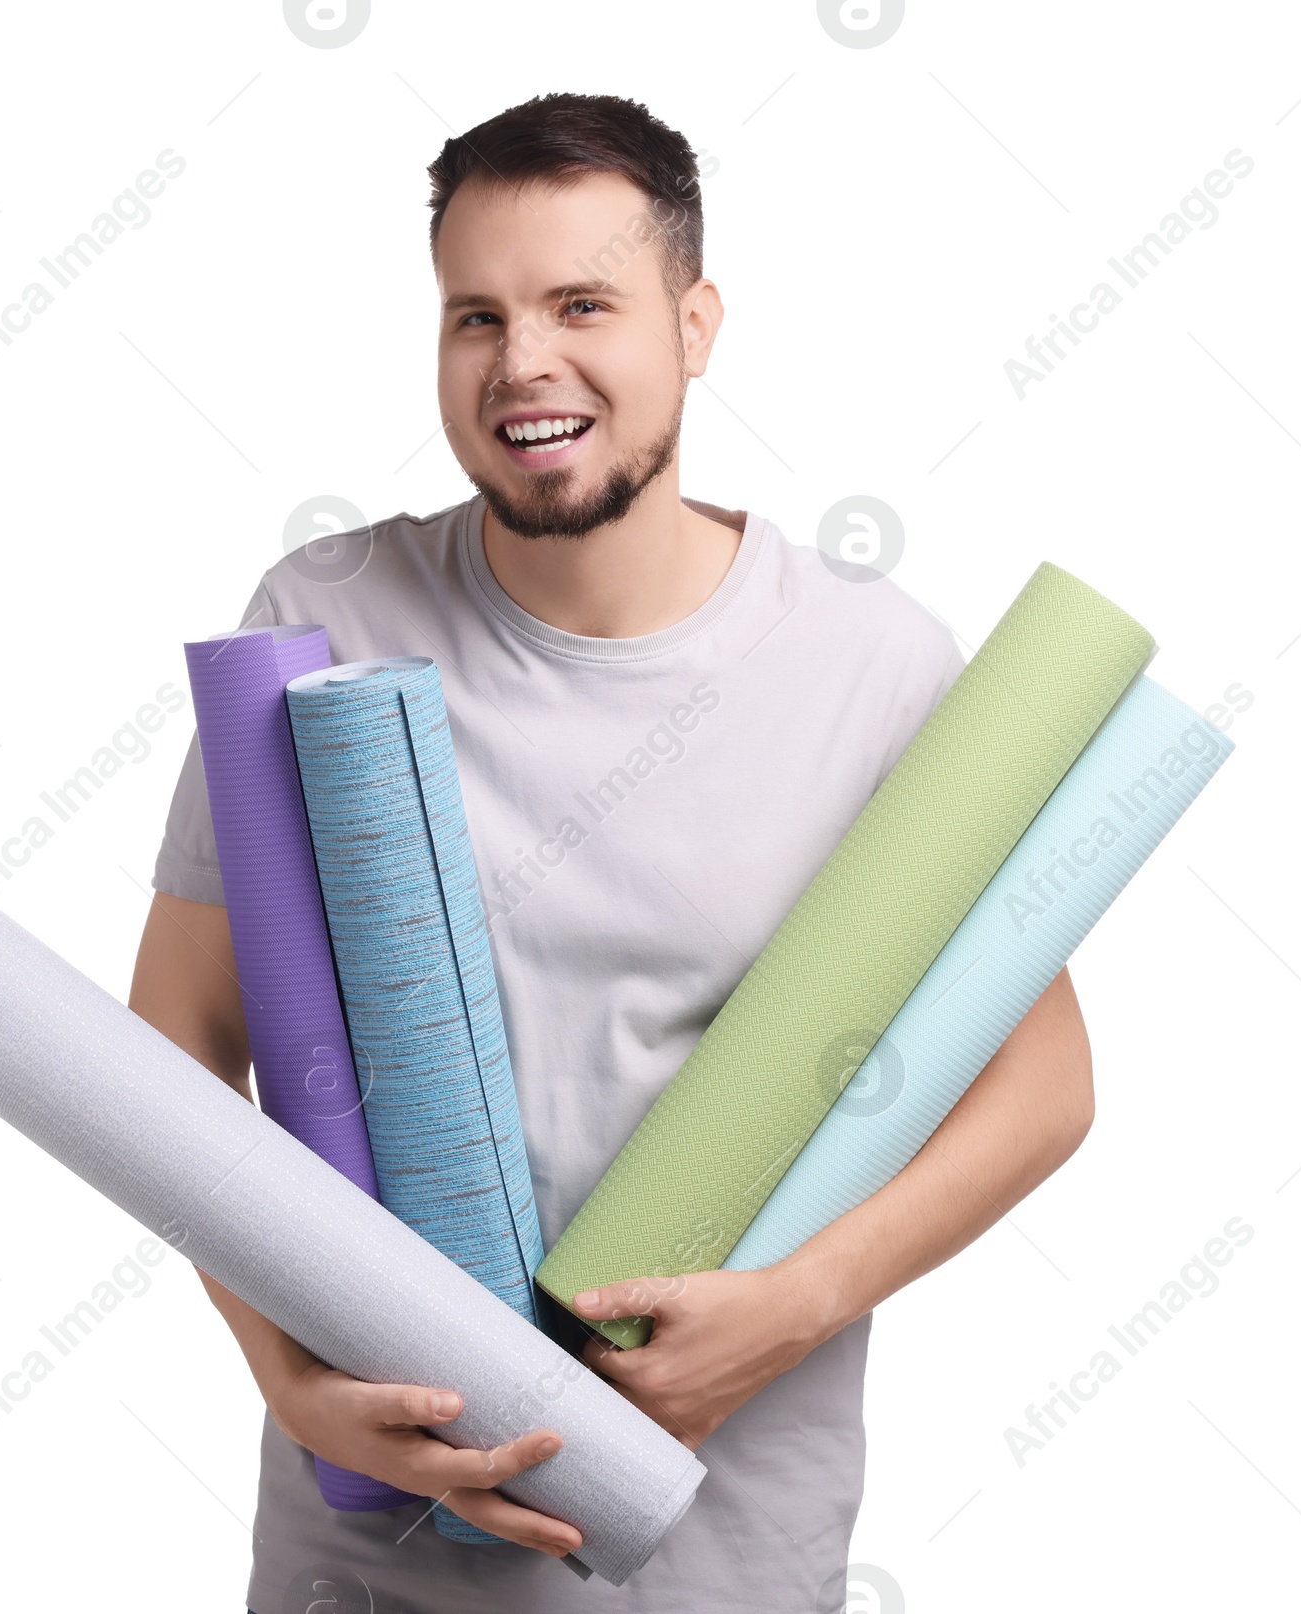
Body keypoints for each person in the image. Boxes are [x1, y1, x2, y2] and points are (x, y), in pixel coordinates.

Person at [129, 91, 1094, 1614]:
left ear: (695, 324)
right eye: (476, 316)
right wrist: (293, 1373)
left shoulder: (870, 664)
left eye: (584, 304)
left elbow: (1042, 1080)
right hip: (366, 1562)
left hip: (725, 1550)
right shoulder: (321, 625)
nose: (524, 363)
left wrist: (797, 1302)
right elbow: (176, 1039)